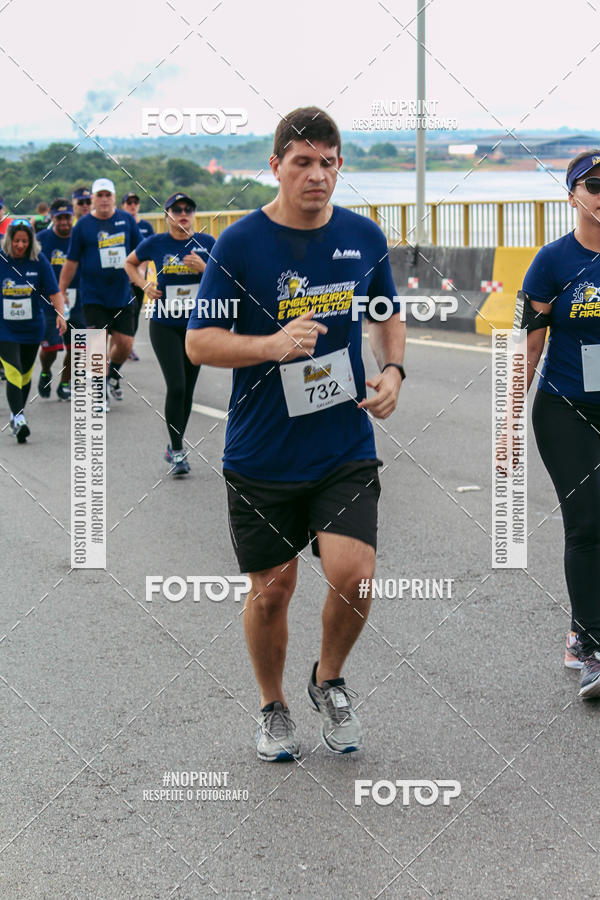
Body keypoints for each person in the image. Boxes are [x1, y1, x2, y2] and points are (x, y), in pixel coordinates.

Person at [186, 107, 405, 761]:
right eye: (302, 161)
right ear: (276, 165)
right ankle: (272, 706)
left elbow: (385, 315)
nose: (317, 174)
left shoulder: (363, 236)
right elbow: (199, 342)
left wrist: (393, 370)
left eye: (328, 162)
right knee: (271, 593)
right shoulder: (240, 244)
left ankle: (328, 680)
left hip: (342, 446)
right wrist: (272, 344)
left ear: (340, 167)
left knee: (355, 576)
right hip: (261, 453)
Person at [518, 149, 600, 700]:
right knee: (588, 521)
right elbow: (527, 349)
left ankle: (582, 627)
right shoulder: (552, 262)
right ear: (572, 196)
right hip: (566, 408)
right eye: (595, 185)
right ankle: (588, 646)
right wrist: (506, 423)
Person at [125, 192, 214, 475]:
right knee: (176, 386)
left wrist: (205, 268)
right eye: (177, 210)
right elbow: (129, 263)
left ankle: (175, 445)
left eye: (188, 209)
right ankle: (177, 450)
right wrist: (143, 284)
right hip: (164, 324)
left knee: (187, 390)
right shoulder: (156, 242)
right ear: (167, 216)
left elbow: (227, 276)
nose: (183, 214)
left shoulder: (208, 243)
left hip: (196, 326)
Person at [59, 178, 142, 411]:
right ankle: (99, 394)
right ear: (93, 199)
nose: (104, 200)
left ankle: (111, 375)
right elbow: (71, 262)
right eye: (100, 196)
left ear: (114, 198)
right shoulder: (82, 226)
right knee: (97, 344)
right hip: (93, 295)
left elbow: (141, 251)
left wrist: (141, 273)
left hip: (121, 294)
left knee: (125, 344)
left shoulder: (126, 220)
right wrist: (61, 290)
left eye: (108, 195)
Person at [0, 218, 65, 441]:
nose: (20, 245)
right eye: (16, 240)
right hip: (4, 328)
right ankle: (19, 419)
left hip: (32, 327)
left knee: (25, 374)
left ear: (31, 242)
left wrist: (60, 314)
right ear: (9, 240)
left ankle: (16, 414)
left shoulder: (39, 260)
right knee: (13, 370)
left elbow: (54, 291)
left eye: (24, 241)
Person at [37, 198, 84, 400]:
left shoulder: (80, 237)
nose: (64, 222)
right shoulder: (41, 239)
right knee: (52, 349)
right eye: (60, 218)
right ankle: (45, 371)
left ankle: (65, 383)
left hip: (77, 300)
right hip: (49, 302)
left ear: (72, 217)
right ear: (52, 218)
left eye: (67, 217)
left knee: (78, 347)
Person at [121, 191, 155, 360]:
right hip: (122, 276)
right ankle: (120, 345)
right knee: (125, 309)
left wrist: (142, 272)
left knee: (135, 310)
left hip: (139, 277)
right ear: (123, 206)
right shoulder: (120, 225)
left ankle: (128, 345)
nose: (133, 205)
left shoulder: (146, 227)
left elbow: (150, 250)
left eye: (135, 202)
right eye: (129, 202)